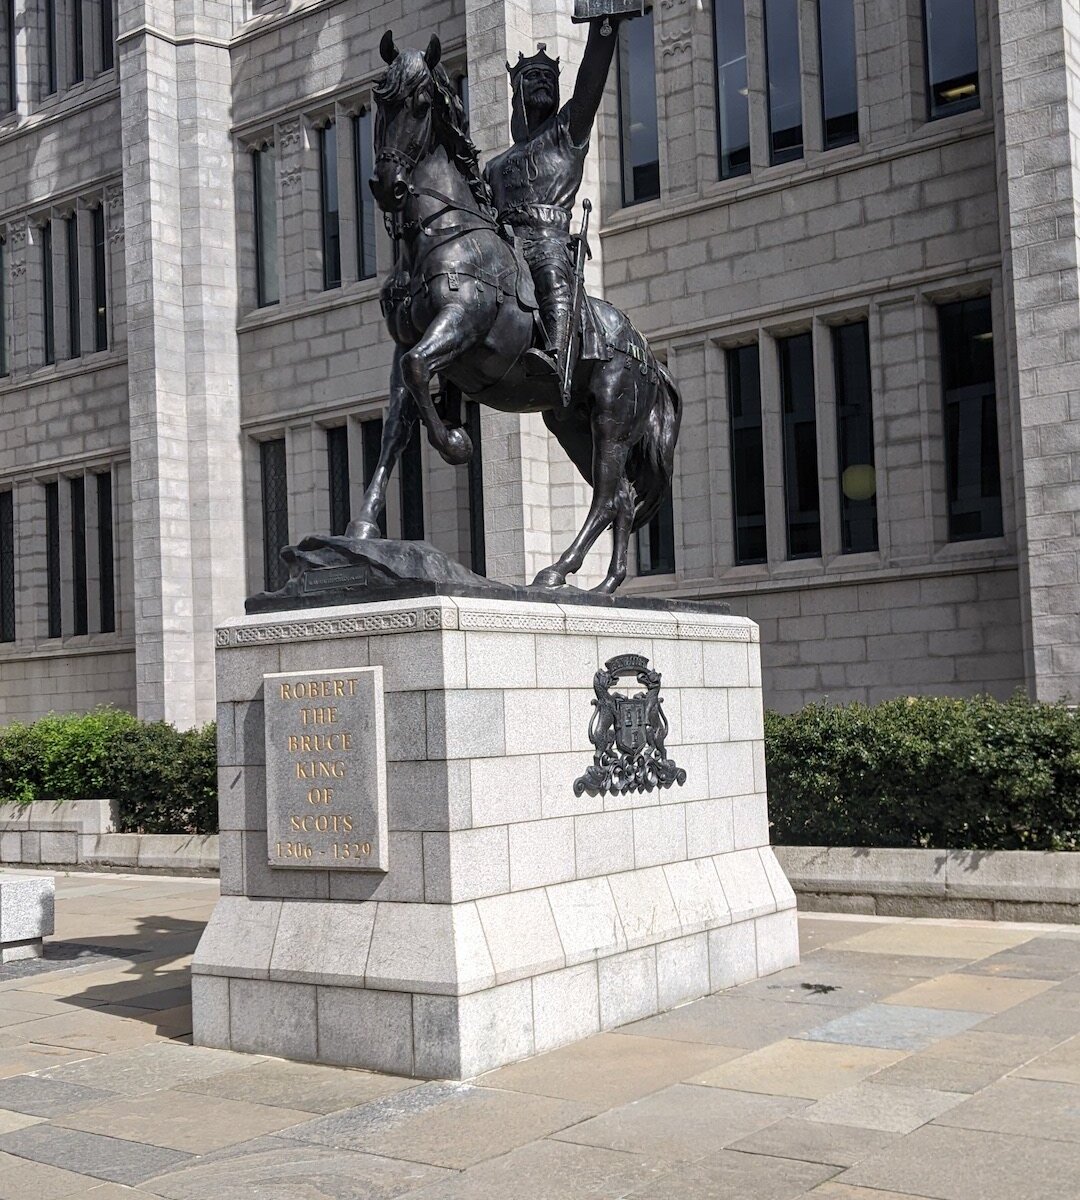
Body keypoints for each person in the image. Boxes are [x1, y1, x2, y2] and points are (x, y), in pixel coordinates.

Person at [483, 15, 631, 386]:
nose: (543, 81)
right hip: (505, 248)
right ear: (516, 89)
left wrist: (604, 25)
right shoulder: (495, 166)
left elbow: (590, 80)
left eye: (549, 77)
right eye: (533, 76)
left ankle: (555, 352)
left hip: (548, 240)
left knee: (550, 272)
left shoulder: (567, 131)